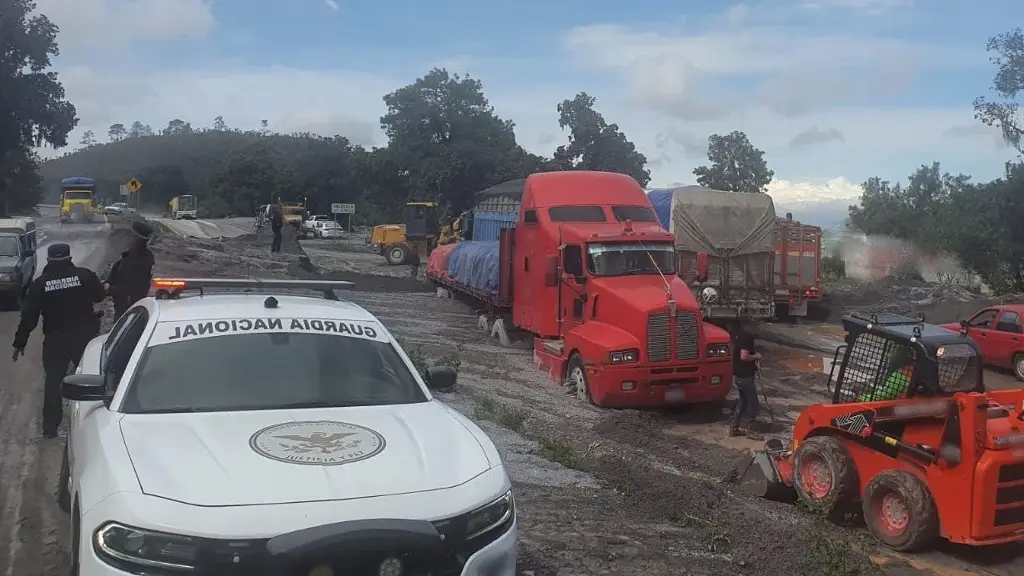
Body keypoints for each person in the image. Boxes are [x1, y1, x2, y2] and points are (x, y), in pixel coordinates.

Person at [11, 243, 106, 438]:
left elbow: (29, 316)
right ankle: (92, 424)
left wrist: (20, 342)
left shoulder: (40, 284)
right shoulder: (85, 275)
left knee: (53, 383)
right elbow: (99, 296)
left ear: (49, 259)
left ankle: (50, 429)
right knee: (89, 380)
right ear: (69, 257)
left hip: (56, 340)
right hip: (84, 338)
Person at [105, 221, 155, 319]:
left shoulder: (138, 261)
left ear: (136, 239)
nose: (127, 238)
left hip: (128, 310)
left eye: (130, 235)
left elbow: (130, 288)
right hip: (127, 306)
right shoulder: (134, 255)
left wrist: (109, 289)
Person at [729, 316, 764, 439]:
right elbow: (744, 356)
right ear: (748, 326)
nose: (757, 328)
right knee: (753, 403)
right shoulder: (747, 337)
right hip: (745, 376)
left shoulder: (740, 335)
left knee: (743, 402)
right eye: (755, 326)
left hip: (739, 375)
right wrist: (756, 356)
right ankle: (750, 430)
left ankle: (734, 428)